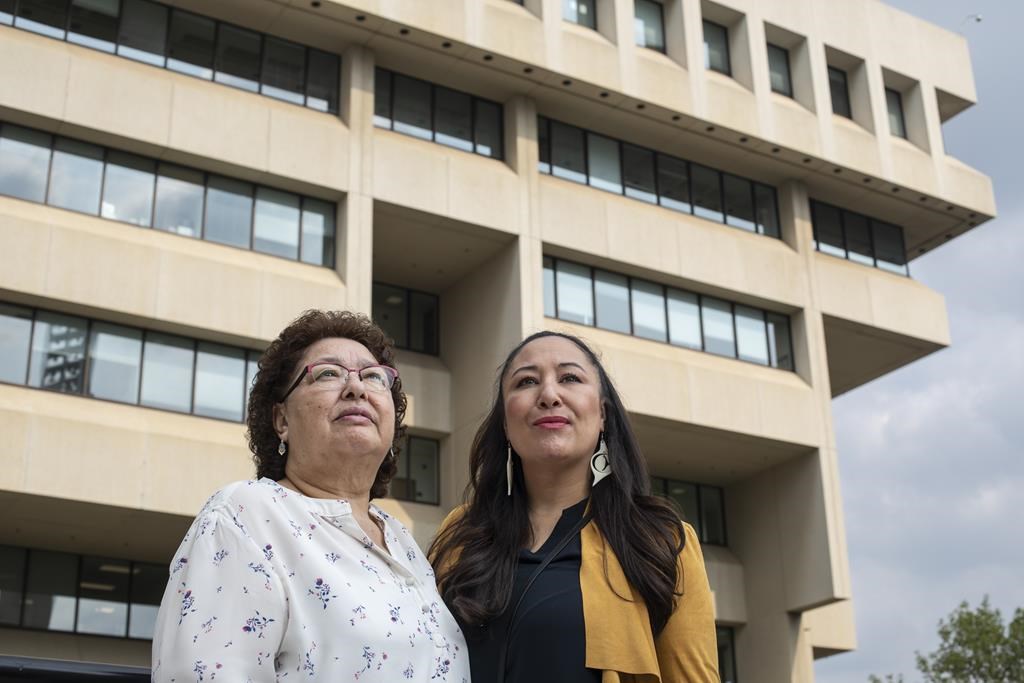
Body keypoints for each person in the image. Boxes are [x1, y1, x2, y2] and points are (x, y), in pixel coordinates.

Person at [152, 310, 469, 682]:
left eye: (373, 377)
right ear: (281, 421)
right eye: (328, 374)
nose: (357, 389)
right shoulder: (246, 515)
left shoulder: (404, 542)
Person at [429, 331, 718, 683]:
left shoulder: (660, 539)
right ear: (505, 423)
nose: (549, 394)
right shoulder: (461, 533)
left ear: (603, 415)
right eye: (526, 382)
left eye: (569, 378)